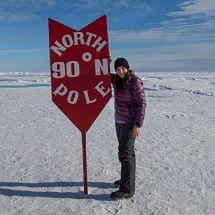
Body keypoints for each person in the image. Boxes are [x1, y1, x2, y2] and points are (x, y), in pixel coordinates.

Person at [110, 57, 146, 200]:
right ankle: (126, 180)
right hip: (119, 120)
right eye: (118, 69)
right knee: (128, 152)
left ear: (128, 68)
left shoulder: (135, 82)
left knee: (125, 153)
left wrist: (138, 124)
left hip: (130, 122)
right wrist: (106, 58)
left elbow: (141, 103)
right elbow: (101, 73)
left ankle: (128, 189)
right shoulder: (116, 80)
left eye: (123, 68)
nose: (121, 71)